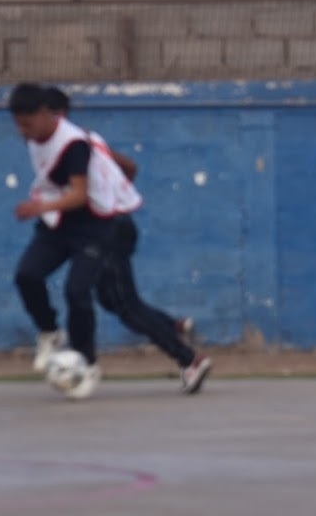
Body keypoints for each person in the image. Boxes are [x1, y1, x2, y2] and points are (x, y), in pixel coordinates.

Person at [42, 88, 212, 394]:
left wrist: (108, 208)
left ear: (57, 115)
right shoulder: (89, 139)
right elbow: (130, 167)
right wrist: (115, 201)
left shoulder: (70, 146)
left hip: (107, 230)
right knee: (111, 299)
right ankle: (173, 326)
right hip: (116, 226)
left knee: (126, 306)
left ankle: (189, 360)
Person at [9, 82, 130, 400]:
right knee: (27, 276)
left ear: (45, 114)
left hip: (93, 224)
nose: (23, 132)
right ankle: (49, 330)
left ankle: (87, 362)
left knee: (76, 291)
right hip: (58, 224)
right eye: (18, 125)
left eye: (27, 124)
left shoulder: (73, 144)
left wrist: (40, 207)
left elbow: (79, 194)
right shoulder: (34, 137)